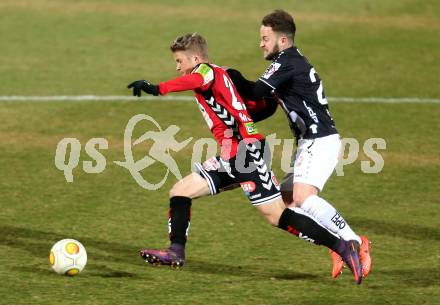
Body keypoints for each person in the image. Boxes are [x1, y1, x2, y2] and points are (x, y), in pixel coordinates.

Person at [127, 32, 363, 284]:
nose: (177, 67)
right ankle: (176, 251)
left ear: (195, 58)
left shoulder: (206, 72)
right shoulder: (221, 75)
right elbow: (253, 106)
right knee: (180, 191)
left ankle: (342, 246)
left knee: (277, 216)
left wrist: (156, 88)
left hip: (246, 154)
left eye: (179, 61)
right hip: (233, 153)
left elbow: (197, 79)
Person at [226, 10, 372, 280]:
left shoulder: (287, 61)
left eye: (265, 38)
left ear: (282, 40)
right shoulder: (290, 63)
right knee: (284, 205)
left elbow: (255, 91)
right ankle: (335, 244)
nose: (261, 44)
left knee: (303, 197)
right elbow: (263, 106)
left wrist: (226, 75)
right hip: (310, 142)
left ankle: (353, 242)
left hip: (319, 139)